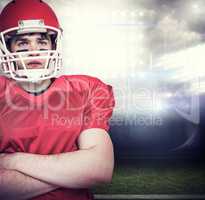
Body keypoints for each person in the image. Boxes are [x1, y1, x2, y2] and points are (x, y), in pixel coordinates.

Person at [0, 0, 115, 200]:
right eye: (23, 43)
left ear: (54, 44)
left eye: (42, 42)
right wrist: (74, 172)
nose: (33, 50)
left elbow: (99, 168)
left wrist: (13, 160)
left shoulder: (86, 89)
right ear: (7, 48)